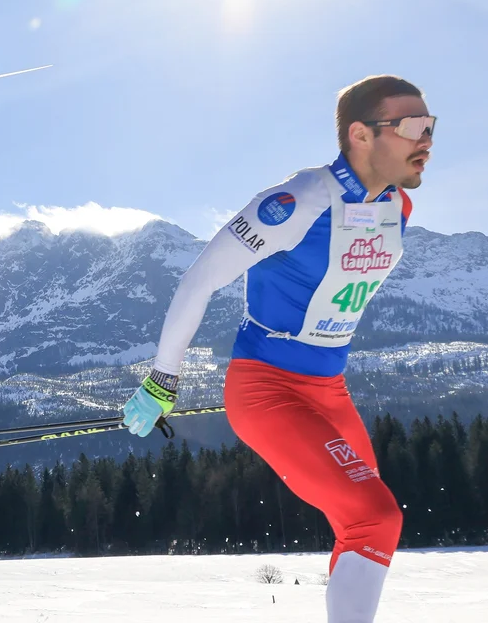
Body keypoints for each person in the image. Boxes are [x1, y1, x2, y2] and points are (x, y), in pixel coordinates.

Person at [120, 75, 433, 623]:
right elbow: (198, 282)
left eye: (431, 126)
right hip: (266, 388)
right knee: (376, 516)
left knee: (361, 526)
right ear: (360, 134)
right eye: (411, 126)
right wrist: (162, 378)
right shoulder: (298, 200)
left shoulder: (397, 207)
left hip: (330, 391)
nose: (426, 139)